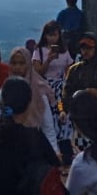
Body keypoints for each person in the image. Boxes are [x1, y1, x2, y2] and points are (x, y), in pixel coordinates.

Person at [32, 21, 74, 164]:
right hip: (45, 87)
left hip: (60, 87)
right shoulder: (39, 51)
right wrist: (48, 60)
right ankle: (51, 151)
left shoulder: (64, 50)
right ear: (45, 35)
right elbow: (37, 72)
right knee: (49, 119)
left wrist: (67, 82)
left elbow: (69, 68)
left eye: (55, 35)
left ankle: (64, 149)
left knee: (63, 116)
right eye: (49, 35)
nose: (52, 38)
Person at [8, 45, 59, 155]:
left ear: (29, 65)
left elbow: (48, 128)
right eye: (14, 63)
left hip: (34, 148)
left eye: (22, 63)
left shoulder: (38, 92)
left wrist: (55, 153)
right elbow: (1, 118)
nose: (17, 67)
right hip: (10, 147)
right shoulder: (6, 90)